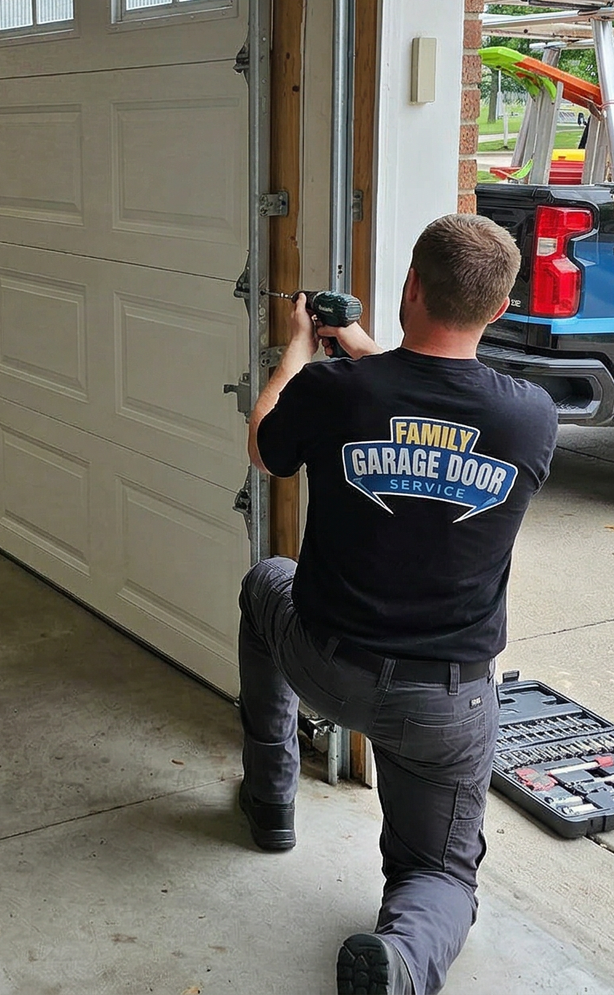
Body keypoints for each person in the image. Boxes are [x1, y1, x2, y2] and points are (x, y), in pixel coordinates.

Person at [239, 213, 558, 995]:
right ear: (498, 309)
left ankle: (272, 796)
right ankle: (404, 960)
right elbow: (436, 401)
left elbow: (265, 444)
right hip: (443, 701)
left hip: (326, 663)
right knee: (440, 874)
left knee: (263, 585)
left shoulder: (334, 392)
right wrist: (363, 348)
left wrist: (301, 347)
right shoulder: (529, 416)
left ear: (411, 286)